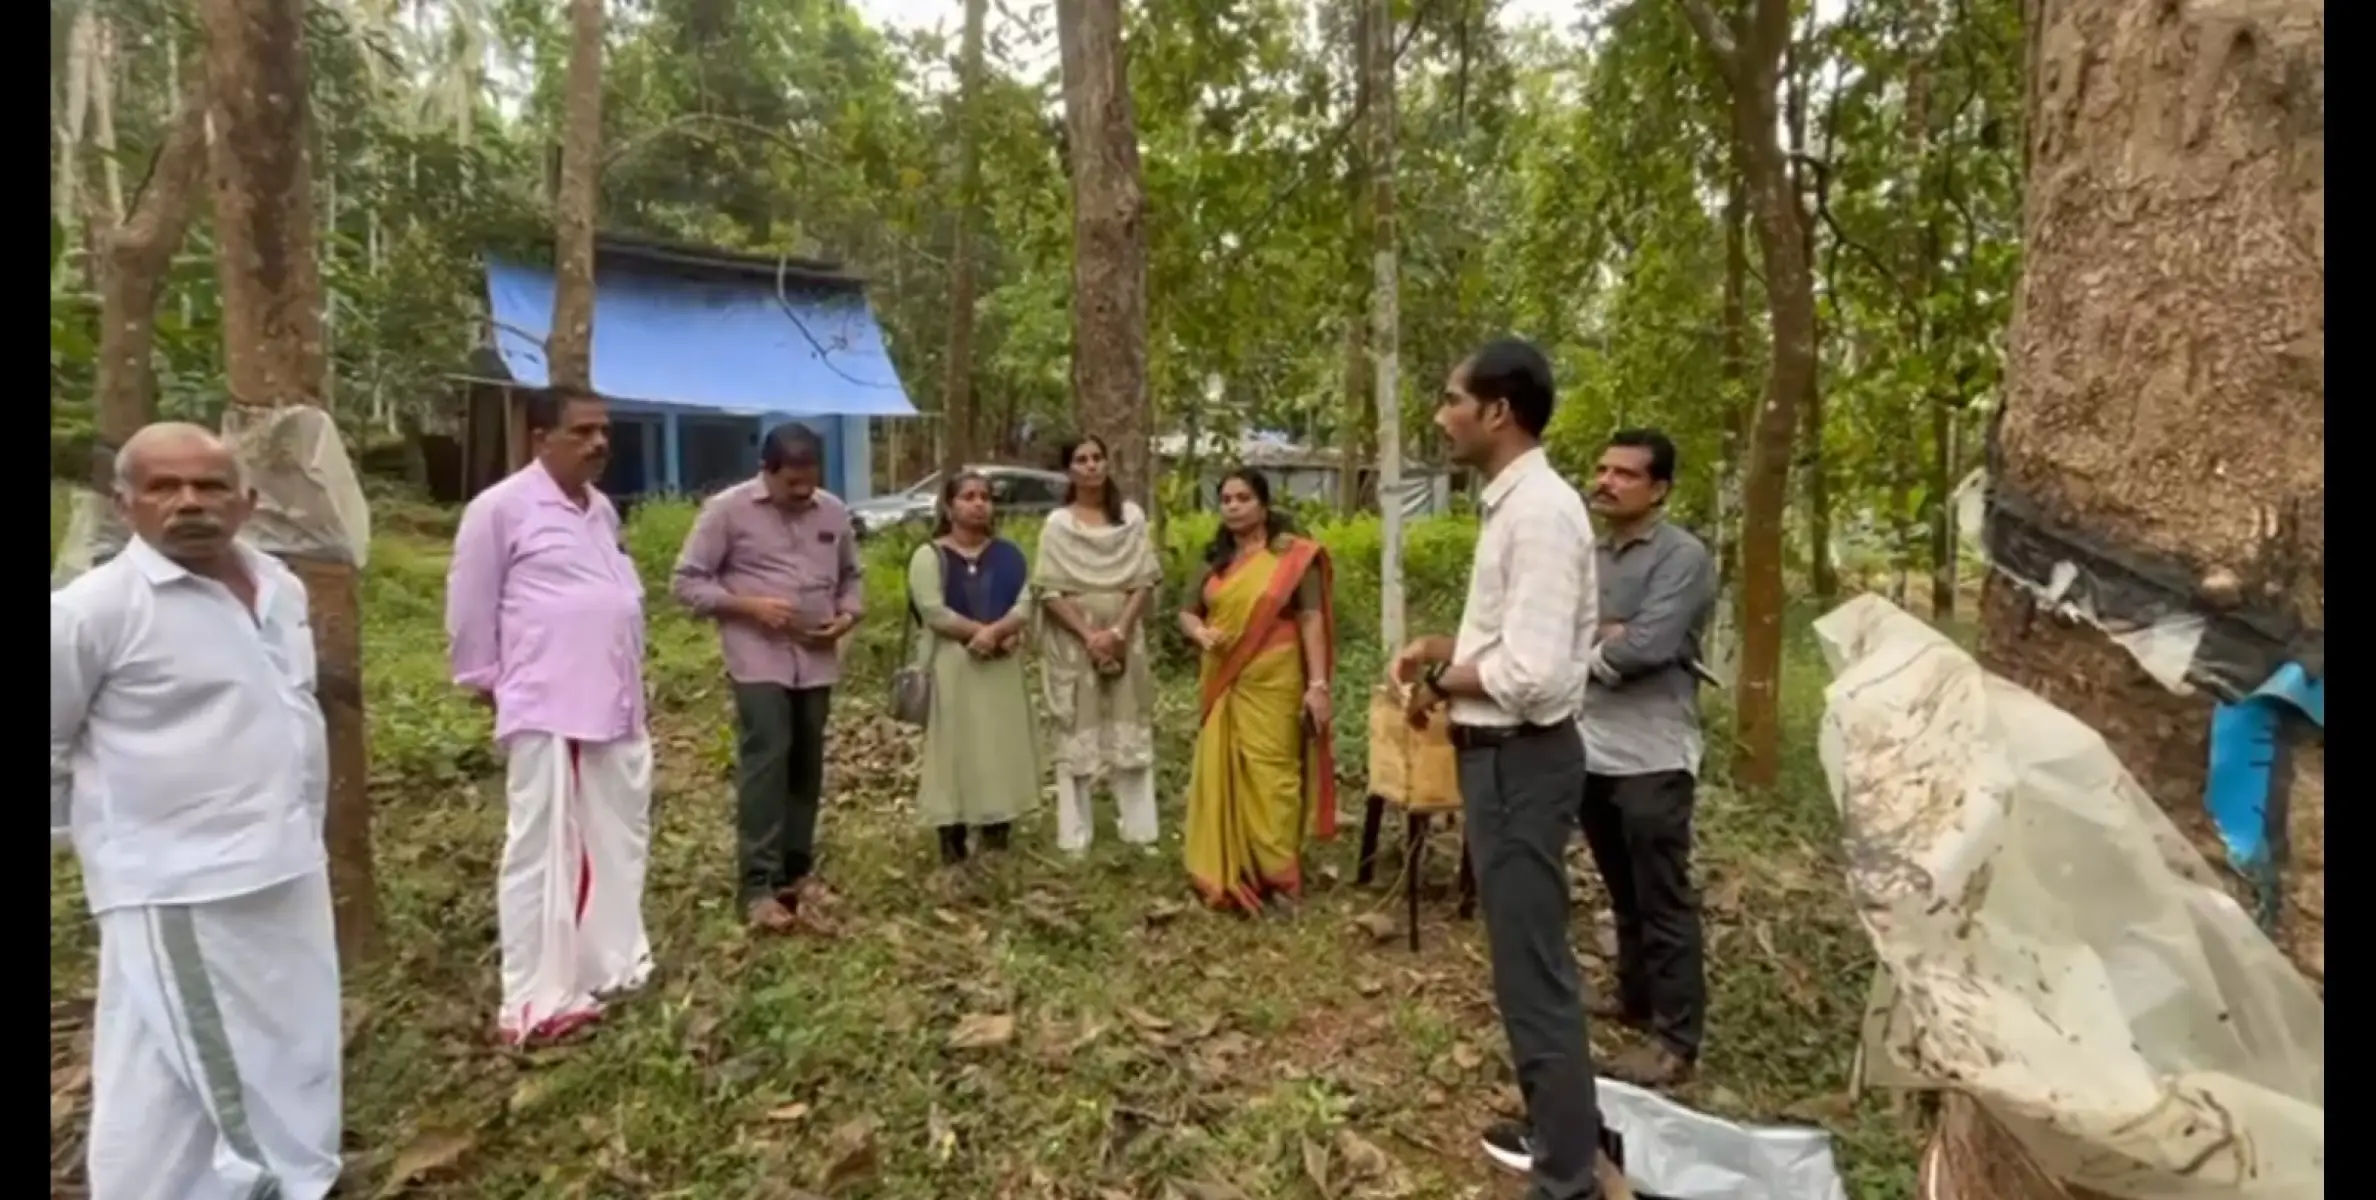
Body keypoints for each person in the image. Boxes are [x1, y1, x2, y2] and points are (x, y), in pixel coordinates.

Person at [51, 422, 343, 1199]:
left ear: (246, 502)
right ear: (127, 503)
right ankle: (286, 1186)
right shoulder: (94, 610)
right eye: (162, 487)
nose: (189, 503)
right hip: (180, 883)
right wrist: (101, 843)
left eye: (210, 486)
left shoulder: (280, 587)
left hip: (285, 864)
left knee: (202, 1062)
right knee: (231, 1070)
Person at [1392, 339, 1606, 1198]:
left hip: (1522, 761)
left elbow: (1537, 675)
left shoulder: (1544, 513)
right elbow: (1514, 644)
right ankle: (1556, 1131)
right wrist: (1447, 649)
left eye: (1451, 399)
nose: (1441, 414)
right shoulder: (1512, 506)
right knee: (1521, 966)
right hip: (1501, 762)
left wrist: (1443, 679)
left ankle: (1567, 1180)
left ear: (1497, 412)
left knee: (1534, 972)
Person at [446, 386, 654, 1046]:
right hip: (551, 706)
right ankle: (536, 997)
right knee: (544, 849)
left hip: (615, 702)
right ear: (541, 439)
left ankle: (610, 964)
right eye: (582, 431)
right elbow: (470, 609)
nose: (598, 443)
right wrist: (492, 684)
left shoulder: (599, 512)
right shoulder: (500, 510)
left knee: (616, 838)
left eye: (604, 431)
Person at [671, 423, 864, 934]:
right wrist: (749, 606)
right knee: (767, 758)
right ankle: (757, 883)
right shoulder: (727, 511)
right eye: (791, 484)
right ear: (768, 470)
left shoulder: (833, 511)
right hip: (758, 656)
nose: (803, 493)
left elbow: (852, 577)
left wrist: (847, 617)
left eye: (810, 481)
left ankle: (796, 872)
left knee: (807, 762)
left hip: (817, 656)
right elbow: (686, 582)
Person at [1577, 428, 1718, 1088]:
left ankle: (1675, 1041)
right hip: (1591, 745)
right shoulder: (1592, 552)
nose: (1605, 481)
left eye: (1624, 474)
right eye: (1602, 469)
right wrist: (1606, 637)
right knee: (1621, 886)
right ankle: (1634, 999)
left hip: (1652, 752)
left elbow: (1649, 647)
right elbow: (1566, 624)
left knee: (1663, 896)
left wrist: (1596, 644)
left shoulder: (1682, 556)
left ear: (1658, 488)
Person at [1178, 468, 1339, 911]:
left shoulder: (1292, 558)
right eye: (1226, 499)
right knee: (1225, 767)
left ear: (1263, 505)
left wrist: (1319, 685)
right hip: (1223, 676)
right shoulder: (1215, 560)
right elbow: (1187, 612)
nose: (1232, 506)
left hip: (1275, 677)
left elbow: (1310, 619)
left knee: (1273, 773)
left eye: (1242, 498)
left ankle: (1280, 878)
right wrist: (1199, 633)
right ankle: (1235, 866)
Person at [1033, 435, 1165, 855]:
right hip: (1075, 640)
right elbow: (1049, 589)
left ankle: (1140, 831)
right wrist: (1090, 637)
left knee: (1131, 728)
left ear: (1107, 464)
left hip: (1124, 632)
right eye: (1081, 460)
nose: (1090, 465)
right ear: (1069, 470)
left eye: (1097, 458)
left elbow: (1143, 580)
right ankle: (1075, 836)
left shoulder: (1130, 517)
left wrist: (1119, 633)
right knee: (1076, 728)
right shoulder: (1058, 524)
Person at [905, 471, 1040, 866]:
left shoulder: (1009, 555)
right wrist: (977, 634)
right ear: (949, 507)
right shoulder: (929, 556)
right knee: (956, 748)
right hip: (952, 663)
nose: (979, 503)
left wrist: (999, 632)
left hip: (1000, 665)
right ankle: (953, 835)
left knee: (999, 745)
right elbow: (932, 609)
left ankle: (997, 832)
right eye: (968, 496)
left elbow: (1026, 601)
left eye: (985, 496)